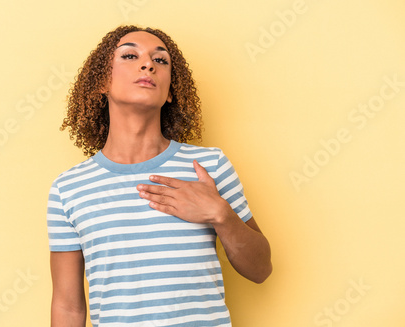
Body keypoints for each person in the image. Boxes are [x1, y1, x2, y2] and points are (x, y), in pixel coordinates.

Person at [47, 25, 272, 327]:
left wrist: (221, 214)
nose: (148, 64)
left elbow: (261, 269)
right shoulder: (69, 189)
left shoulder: (208, 166)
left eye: (161, 60)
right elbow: (67, 307)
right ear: (102, 80)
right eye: (130, 55)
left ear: (169, 92)